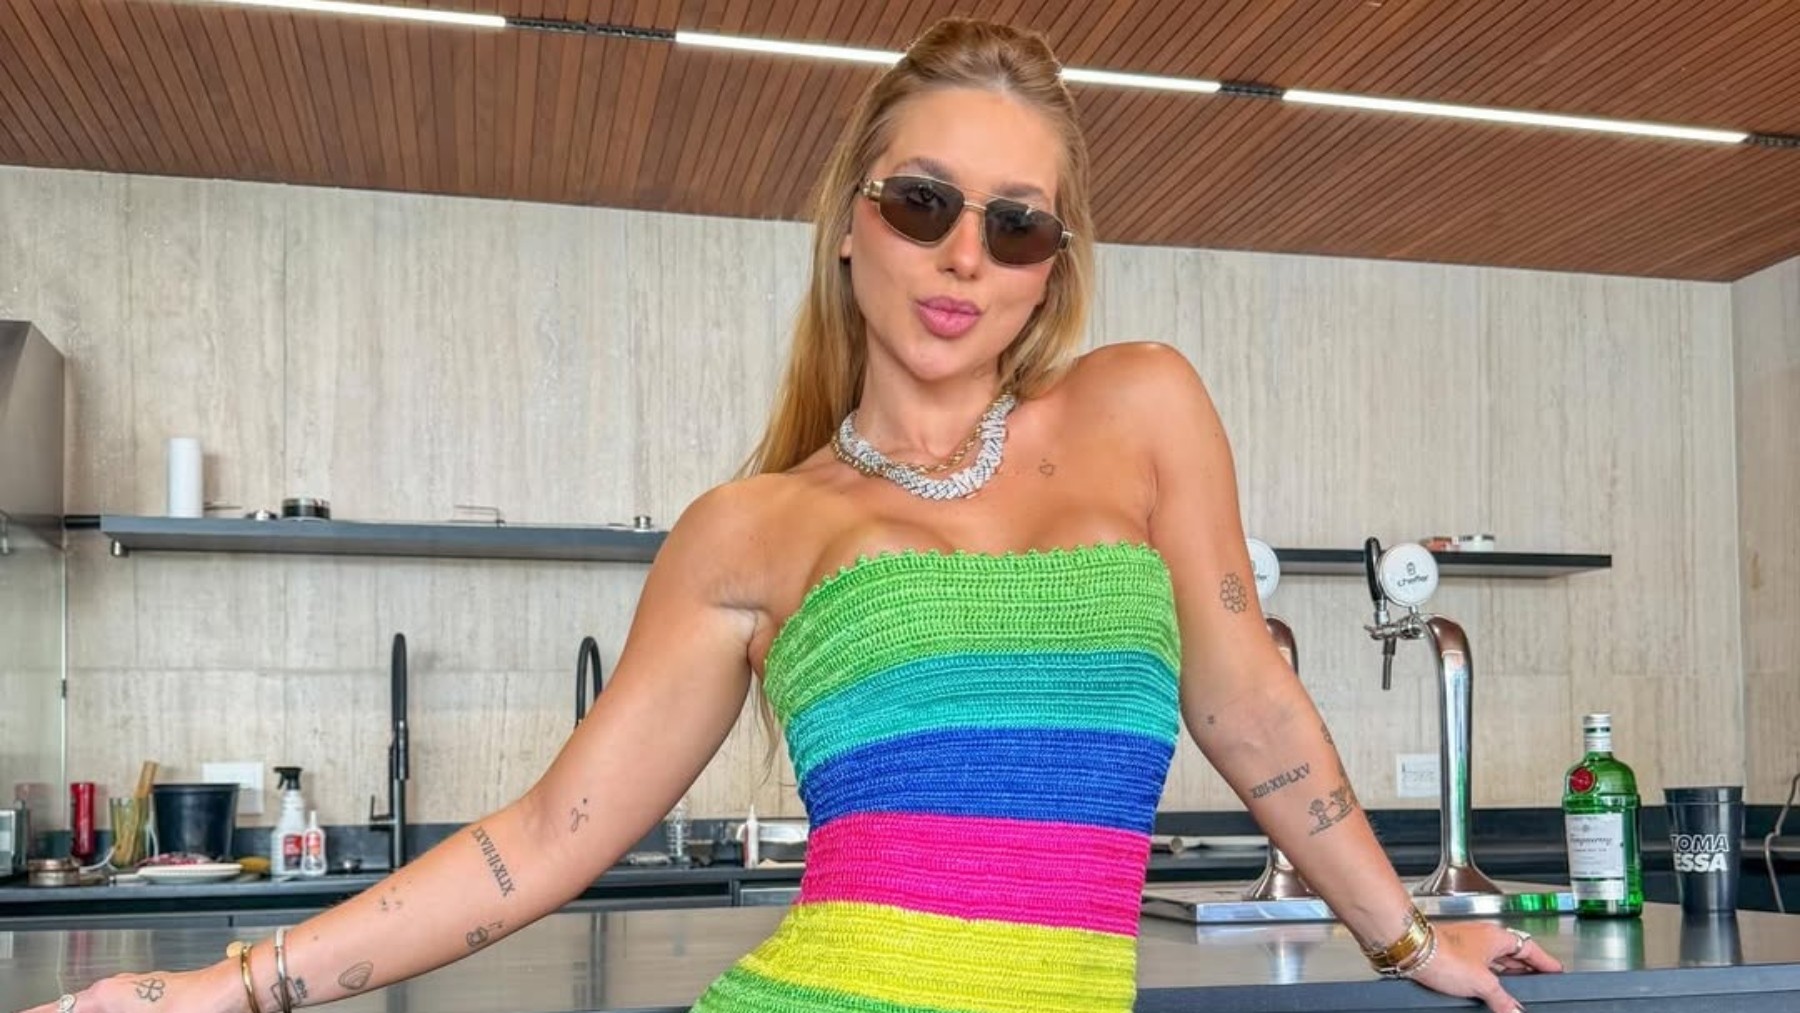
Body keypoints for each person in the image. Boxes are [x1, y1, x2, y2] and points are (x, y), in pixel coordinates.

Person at [23, 17, 1560, 1013]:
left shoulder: (1144, 407)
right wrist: (231, 987)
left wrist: (1407, 936)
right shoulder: (749, 530)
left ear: (1051, 267)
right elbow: (542, 841)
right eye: (923, 202)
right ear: (849, 223)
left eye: (1017, 224)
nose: (964, 254)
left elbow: (1251, 708)